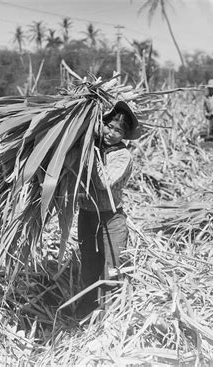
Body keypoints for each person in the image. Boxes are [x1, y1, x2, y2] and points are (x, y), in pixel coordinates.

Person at [75, 101, 141, 318]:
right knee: (88, 268)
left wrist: (91, 152)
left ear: (124, 135)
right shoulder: (90, 146)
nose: (111, 133)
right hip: (87, 216)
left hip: (110, 220)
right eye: (109, 126)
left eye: (118, 131)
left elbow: (104, 181)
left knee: (111, 270)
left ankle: (109, 321)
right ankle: (83, 316)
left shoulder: (122, 156)